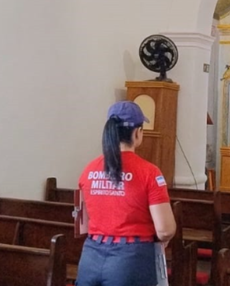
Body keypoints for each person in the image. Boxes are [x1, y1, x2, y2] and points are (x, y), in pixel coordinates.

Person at [76, 101, 177, 286]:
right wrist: (165, 239)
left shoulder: (88, 170)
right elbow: (165, 229)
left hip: (91, 256)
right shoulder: (149, 172)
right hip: (131, 259)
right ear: (138, 132)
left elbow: (81, 224)